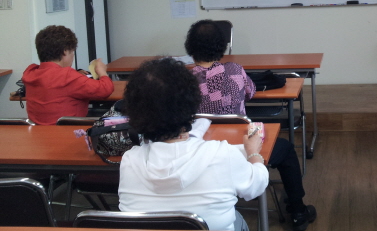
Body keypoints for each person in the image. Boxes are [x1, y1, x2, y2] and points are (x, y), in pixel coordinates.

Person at [185, 19, 317, 231]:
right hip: (242, 148)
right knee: (286, 149)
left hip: (198, 151)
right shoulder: (235, 70)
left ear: (190, 49)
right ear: (221, 47)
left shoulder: (183, 80)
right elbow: (251, 91)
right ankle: (298, 211)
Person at [118, 57, 267, 231]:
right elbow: (256, 185)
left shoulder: (129, 160)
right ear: (192, 101)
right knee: (236, 217)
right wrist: (253, 153)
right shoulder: (222, 154)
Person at [22, 25, 114, 125]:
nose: (72, 56)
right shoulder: (68, 76)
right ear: (65, 51)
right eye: (72, 52)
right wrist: (102, 71)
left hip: (37, 132)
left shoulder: (30, 72)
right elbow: (105, 89)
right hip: (68, 131)